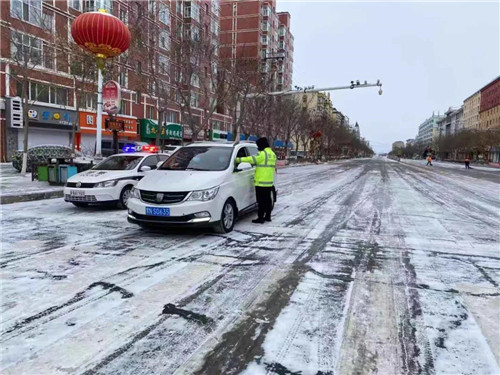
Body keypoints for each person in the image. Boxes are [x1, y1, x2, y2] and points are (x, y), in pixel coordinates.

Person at [235, 137, 277, 224]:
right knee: (268, 200)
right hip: (269, 182)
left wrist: (238, 159)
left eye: (258, 146)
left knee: (261, 201)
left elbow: (250, 159)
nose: (258, 148)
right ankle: (268, 216)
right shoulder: (273, 154)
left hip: (260, 182)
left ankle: (260, 218)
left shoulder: (262, 154)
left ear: (262, 145)